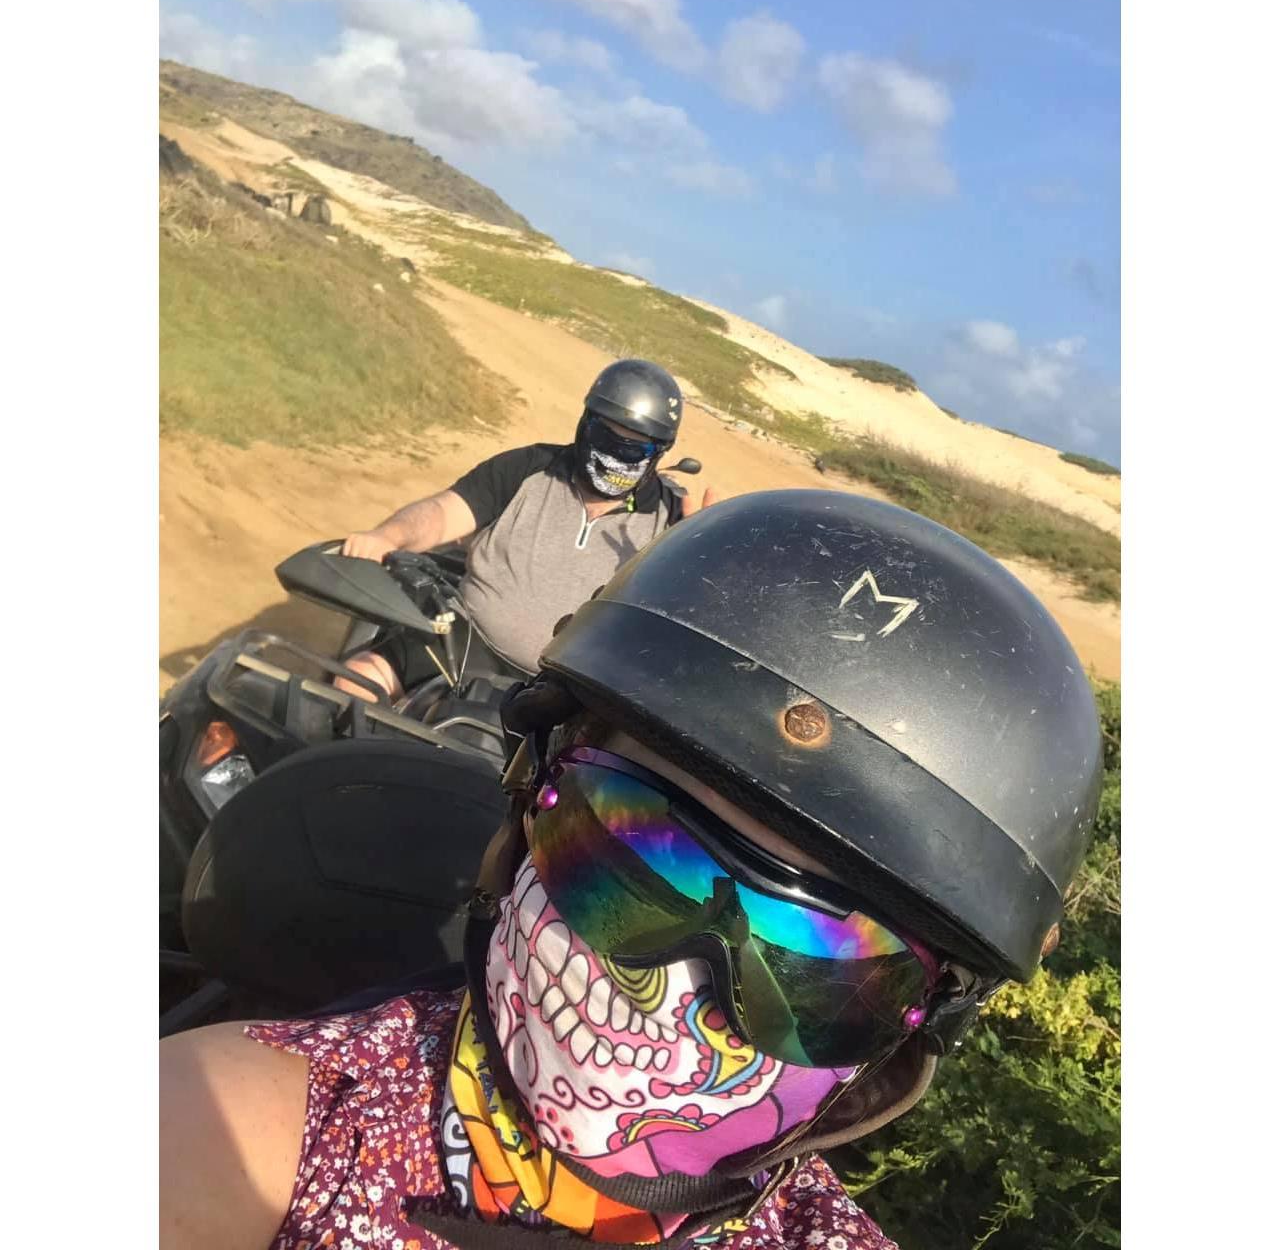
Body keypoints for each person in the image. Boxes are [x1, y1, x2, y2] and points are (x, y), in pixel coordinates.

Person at [159, 489, 1104, 1249]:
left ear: (917, 1029)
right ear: (529, 795)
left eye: (816, 968)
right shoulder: (269, 1128)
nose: (677, 989)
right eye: (628, 850)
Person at [336, 358, 716, 701]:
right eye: (606, 438)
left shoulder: (671, 520)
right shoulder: (528, 467)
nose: (616, 455)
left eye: (634, 449)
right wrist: (387, 537)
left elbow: (684, 623)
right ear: (585, 424)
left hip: (564, 689)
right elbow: (443, 512)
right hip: (462, 641)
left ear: (660, 452)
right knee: (356, 681)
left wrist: (702, 555)